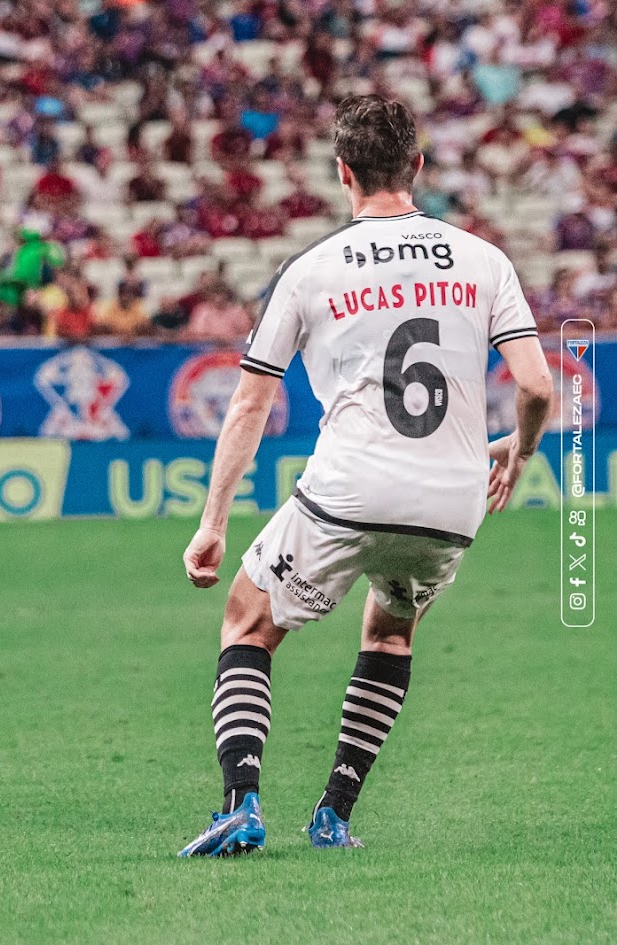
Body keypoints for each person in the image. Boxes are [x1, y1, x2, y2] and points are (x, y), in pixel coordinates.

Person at [178, 96, 554, 857]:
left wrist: (213, 522)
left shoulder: (310, 268)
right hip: (451, 500)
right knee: (390, 631)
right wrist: (518, 449)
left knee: (248, 619)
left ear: (342, 172)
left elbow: (252, 399)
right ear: (417, 166)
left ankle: (241, 802)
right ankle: (334, 815)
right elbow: (539, 386)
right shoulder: (484, 259)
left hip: (351, 485)